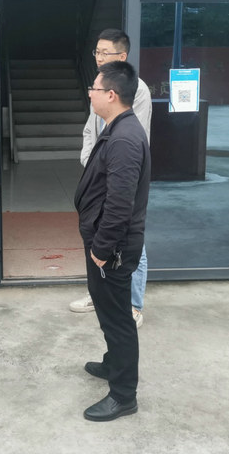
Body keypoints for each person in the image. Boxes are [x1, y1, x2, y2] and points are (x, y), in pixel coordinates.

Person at [75, 61, 151, 422]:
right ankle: (112, 363)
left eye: (93, 88)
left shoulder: (124, 138)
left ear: (110, 94)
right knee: (108, 311)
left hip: (113, 249)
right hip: (106, 244)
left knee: (118, 319)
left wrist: (102, 249)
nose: (89, 94)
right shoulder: (117, 128)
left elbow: (120, 204)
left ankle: (123, 395)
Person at [70, 28, 151, 328]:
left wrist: (104, 167)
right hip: (101, 172)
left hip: (120, 174)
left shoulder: (135, 90)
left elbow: (129, 139)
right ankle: (98, 293)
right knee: (100, 236)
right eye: (97, 52)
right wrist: (92, 163)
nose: (99, 57)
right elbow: (90, 132)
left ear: (123, 55)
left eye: (106, 52)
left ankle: (133, 304)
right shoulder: (101, 86)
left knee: (129, 239)